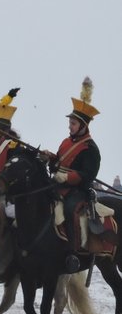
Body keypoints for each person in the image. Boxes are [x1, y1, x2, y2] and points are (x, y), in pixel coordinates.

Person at [41, 77, 101, 273]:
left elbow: (88, 175)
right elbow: (58, 161)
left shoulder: (91, 148)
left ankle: (73, 253)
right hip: (59, 186)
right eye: (70, 122)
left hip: (78, 192)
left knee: (69, 209)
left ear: (83, 125)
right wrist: (49, 157)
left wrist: (66, 178)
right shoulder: (66, 142)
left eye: (73, 123)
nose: (70, 126)